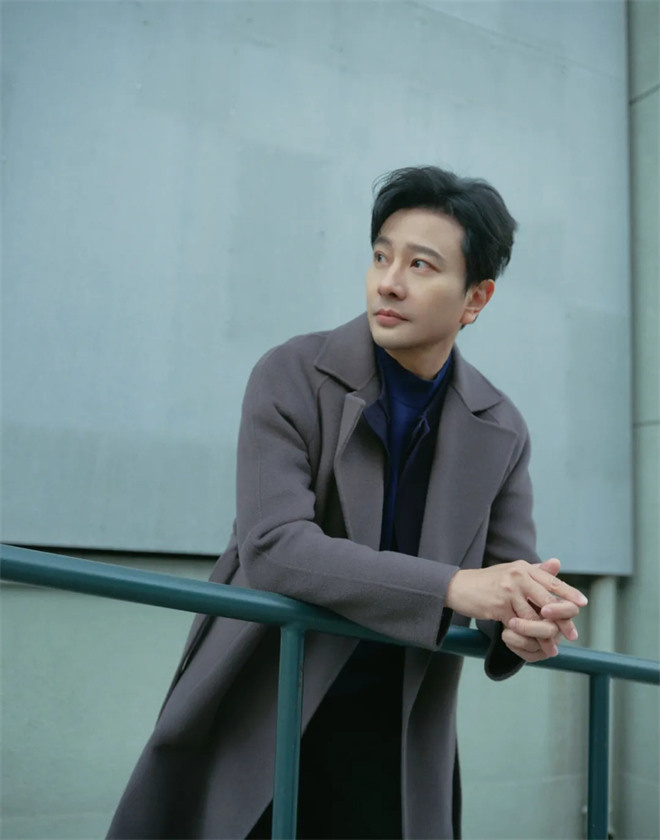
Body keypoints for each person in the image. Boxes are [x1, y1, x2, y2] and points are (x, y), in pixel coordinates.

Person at [107, 166, 587, 840]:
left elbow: (505, 577)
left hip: (397, 728)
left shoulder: (500, 425)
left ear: (475, 299)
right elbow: (274, 546)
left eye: (421, 265)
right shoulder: (292, 374)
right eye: (381, 256)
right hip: (264, 698)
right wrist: (455, 587)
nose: (388, 282)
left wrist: (525, 622)